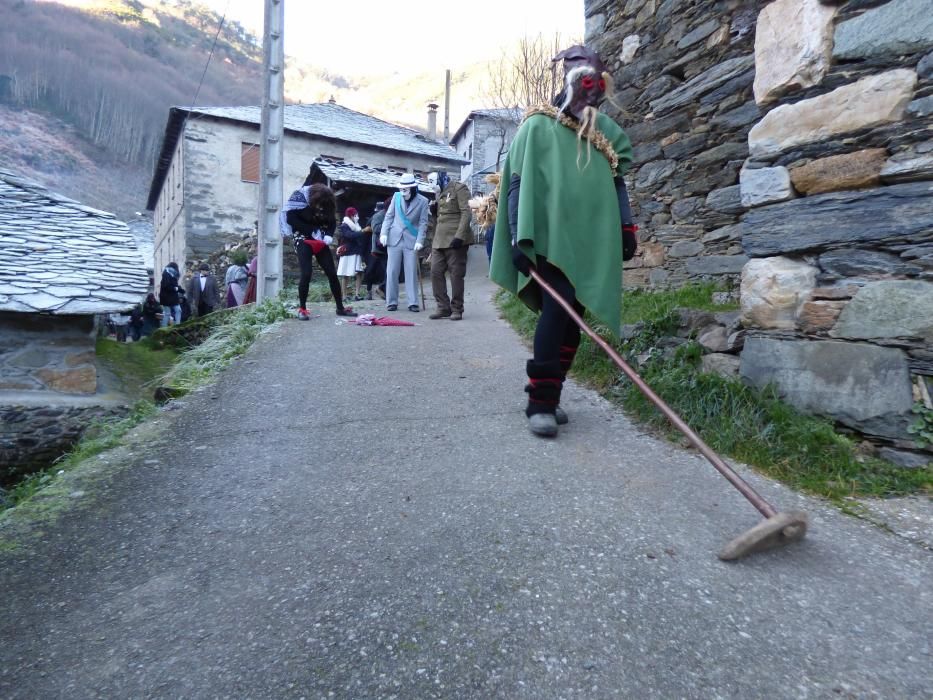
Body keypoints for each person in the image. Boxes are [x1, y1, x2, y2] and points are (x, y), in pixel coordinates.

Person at [489, 44, 636, 438]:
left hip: (592, 242)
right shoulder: (538, 126)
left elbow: (616, 183)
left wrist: (626, 227)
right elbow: (518, 181)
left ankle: (551, 396)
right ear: (571, 82)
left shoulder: (605, 134)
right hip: (551, 240)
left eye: (597, 86)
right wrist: (520, 239)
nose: (591, 93)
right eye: (585, 84)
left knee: (576, 317)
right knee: (558, 311)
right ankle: (540, 403)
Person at [281, 178, 356, 319]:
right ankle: (302, 309)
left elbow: (332, 222)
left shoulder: (327, 203)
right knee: (306, 273)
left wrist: (328, 235)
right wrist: (311, 231)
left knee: (332, 273)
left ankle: (340, 307)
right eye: (318, 204)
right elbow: (291, 219)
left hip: (320, 239)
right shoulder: (299, 198)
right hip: (303, 238)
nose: (321, 208)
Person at [380, 173, 429, 312]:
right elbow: (388, 217)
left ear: (413, 188)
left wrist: (420, 240)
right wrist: (384, 233)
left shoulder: (423, 201)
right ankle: (391, 302)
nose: (403, 192)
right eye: (401, 189)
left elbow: (423, 223)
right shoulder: (395, 197)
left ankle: (413, 302)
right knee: (392, 271)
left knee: (411, 271)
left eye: (405, 189)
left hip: (412, 241)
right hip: (394, 239)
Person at [427, 170, 473, 321]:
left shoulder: (459, 188)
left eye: (432, 181)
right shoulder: (439, 193)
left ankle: (457, 308)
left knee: (456, 274)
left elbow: (466, 212)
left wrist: (460, 236)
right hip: (439, 240)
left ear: (441, 178)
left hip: (455, 240)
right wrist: (434, 213)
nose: (431, 185)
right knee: (435, 271)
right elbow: (440, 219)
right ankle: (443, 307)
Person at [336, 207, 367, 302]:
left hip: (357, 252)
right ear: (350, 216)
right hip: (348, 252)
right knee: (345, 274)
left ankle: (357, 294)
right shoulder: (344, 225)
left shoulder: (357, 225)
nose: (357, 217)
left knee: (359, 272)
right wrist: (363, 231)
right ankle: (344, 296)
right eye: (355, 215)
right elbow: (349, 235)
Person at [362, 200, 388, 300]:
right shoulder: (374, 218)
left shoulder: (378, 217)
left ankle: (380, 290)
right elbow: (366, 233)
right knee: (373, 270)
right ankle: (371, 291)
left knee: (377, 270)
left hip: (377, 247)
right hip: (373, 247)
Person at [159, 262, 182, 327]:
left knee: (175, 311)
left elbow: (173, 285)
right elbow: (166, 286)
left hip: (170, 297)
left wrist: (179, 289)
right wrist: (175, 289)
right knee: (169, 313)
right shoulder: (166, 274)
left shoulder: (171, 274)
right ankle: (165, 328)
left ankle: (177, 325)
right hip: (167, 297)